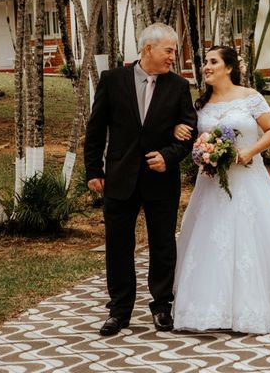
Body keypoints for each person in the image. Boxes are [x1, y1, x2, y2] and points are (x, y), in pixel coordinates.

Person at [171, 45, 270, 334]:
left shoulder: (250, 97)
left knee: (251, 238)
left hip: (248, 180)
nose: (206, 67)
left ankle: (256, 302)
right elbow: (190, 135)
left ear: (229, 67)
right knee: (211, 241)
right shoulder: (201, 106)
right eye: (204, 62)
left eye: (212, 62)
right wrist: (198, 148)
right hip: (212, 185)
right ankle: (212, 306)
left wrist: (248, 152)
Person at [84, 22, 197, 336]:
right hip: (120, 179)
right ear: (149, 48)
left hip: (162, 181)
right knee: (118, 246)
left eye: (174, 51)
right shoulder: (113, 80)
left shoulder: (178, 86)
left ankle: (162, 307)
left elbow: (190, 131)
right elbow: (95, 130)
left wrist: (169, 155)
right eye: (169, 50)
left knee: (163, 245)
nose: (173, 57)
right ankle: (119, 312)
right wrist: (93, 170)